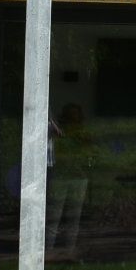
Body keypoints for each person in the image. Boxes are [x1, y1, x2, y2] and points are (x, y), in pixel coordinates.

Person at [48, 103, 92, 257]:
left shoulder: (83, 133)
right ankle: (48, 249)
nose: (74, 118)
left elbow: (89, 154)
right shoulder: (59, 133)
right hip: (62, 177)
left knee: (74, 215)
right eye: (71, 114)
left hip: (78, 177)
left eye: (76, 114)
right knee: (55, 214)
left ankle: (69, 249)